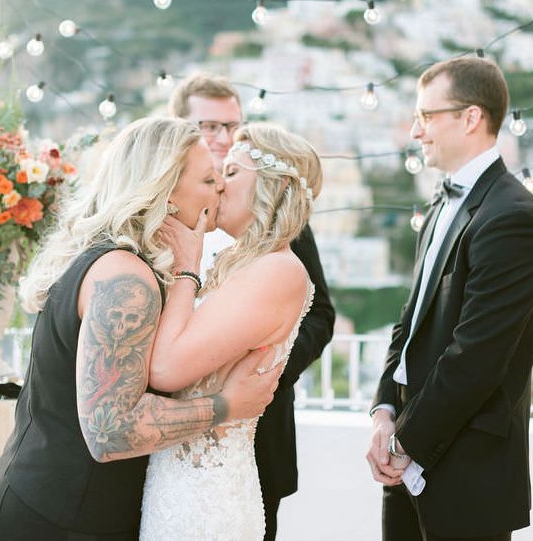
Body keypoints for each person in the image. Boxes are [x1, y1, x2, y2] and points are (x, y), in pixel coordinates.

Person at [0, 117, 280, 541]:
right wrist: (226, 406)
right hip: (64, 514)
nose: (220, 187)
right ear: (162, 191)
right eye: (207, 178)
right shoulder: (127, 280)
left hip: (57, 496)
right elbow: (111, 430)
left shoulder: (121, 260)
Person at [367, 56, 533, 541]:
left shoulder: (512, 216)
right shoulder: (440, 204)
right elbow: (410, 319)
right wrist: (382, 410)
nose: (416, 131)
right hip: (405, 457)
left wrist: (404, 442)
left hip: (465, 469)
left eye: (426, 116)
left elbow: (477, 355)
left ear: (471, 117)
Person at [169, 74, 335, 539]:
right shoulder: (166, 206)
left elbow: (319, 313)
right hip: (169, 435)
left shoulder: (279, 213)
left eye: (231, 125)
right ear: (179, 126)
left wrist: (262, 366)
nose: (222, 138)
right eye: (209, 126)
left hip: (254, 432)